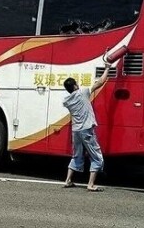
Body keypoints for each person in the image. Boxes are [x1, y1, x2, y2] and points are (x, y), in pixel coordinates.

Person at [62, 60, 111, 192]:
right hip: (86, 129)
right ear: (75, 86)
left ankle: (68, 180)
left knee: (77, 155)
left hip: (76, 130)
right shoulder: (83, 92)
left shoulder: (66, 101)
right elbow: (100, 82)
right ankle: (90, 184)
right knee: (96, 156)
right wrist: (107, 68)